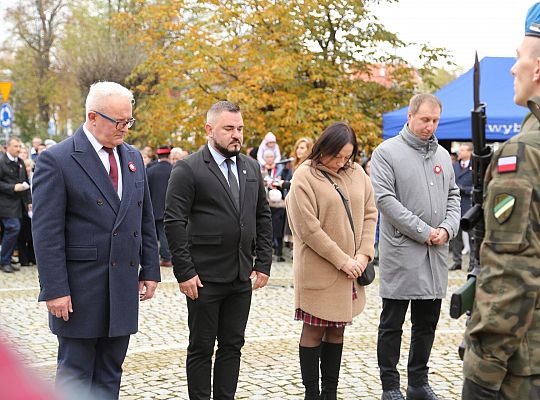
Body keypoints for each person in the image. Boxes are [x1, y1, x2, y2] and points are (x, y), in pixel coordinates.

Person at [31, 81, 161, 399]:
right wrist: (55, 289)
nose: (125, 129)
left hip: (121, 285)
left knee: (110, 372)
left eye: (129, 121)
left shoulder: (132, 157)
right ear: (92, 117)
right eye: (118, 122)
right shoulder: (57, 160)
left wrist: (150, 270)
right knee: (76, 375)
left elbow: (143, 217)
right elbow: (46, 233)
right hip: (80, 289)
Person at [164, 100, 273, 400]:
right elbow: (173, 222)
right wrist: (184, 272)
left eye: (239, 128)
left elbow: (262, 216)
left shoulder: (251, 167)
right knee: (201, 347)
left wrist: (263, 263)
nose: (236, 134)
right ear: (210, 129)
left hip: (240, 276)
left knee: (232, 345)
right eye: (228, 128)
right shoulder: (188, 169)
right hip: (204, 277)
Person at [462, 4, 540, 398]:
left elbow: (512, 271)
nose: (513, 69)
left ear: (538, 68)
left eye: (518, 58)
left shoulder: (525, 152)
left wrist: (481, 372)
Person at [370, 93, 460, 400]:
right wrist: (424, 231)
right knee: (392, 323)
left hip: (436, 254)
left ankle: (418, 382)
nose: (429, 126)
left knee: (427, 324)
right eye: (424, 119)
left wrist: (447, 228)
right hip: (403, 253)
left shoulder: (443, 156)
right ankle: (390, 385)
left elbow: (454, 197)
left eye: (435, 120)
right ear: (410, 116)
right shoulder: (386, 152)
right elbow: (385, 200)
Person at [286, 122, 377, 399]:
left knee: (337, 332)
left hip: (351, 270)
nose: (341, 162)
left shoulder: (357, 173)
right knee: (314, 331)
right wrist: (342, 260)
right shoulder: (304, 176)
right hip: (319, 270)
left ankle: (330, 393)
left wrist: (363, 254)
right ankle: (312, 393)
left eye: (346, 156)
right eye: (336, 155)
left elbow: (370, 214)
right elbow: (308, 229)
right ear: (323, 148)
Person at [0, 136, 31, 273]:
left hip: (19, 204)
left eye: (19, 146)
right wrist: (12, 187)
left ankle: (5, 258)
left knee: (16, 230)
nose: (18, 149)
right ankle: (4, 260)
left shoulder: (20, 162)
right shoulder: (1, 162)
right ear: (7, 147)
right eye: (15, 146)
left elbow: (25, 182)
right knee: (13, 228)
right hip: (5, 203)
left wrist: (29, 201)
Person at [449, 142, 474, 271]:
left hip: (469, 204)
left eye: (463, 150)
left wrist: (466, 189)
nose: (460, 152)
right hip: (455, 205)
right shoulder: (454, 166)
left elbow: (478, 186)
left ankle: (472, 263)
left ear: (469, 152)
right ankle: (457, 261)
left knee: (471, 236)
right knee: (456, 235)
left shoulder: (475, 167)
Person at [147, 145, 173, 267]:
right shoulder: (174, 169)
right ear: (169, 155)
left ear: (158, 155)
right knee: (168, 234)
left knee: (160, 234)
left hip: (155, 207)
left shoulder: (151, 171)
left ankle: (166, 258)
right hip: (173, 208)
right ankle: (168, 257)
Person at [261, 149, 286, 262]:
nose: (270, 159)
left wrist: (278, 183)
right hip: (266, 203)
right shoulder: (260, 169)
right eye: (268, 157)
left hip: (279, 204)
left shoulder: (281, 169)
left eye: (271, 156)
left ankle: (279, 253)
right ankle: (267, 253)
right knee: (266, 229)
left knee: (278, 229)